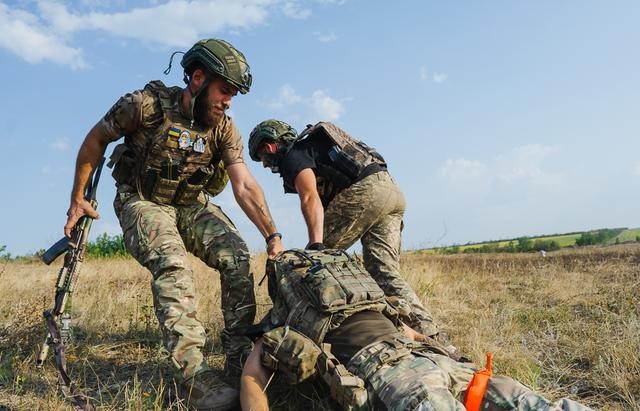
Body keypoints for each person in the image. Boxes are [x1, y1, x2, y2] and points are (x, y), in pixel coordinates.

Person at [64, 39, 284, 410]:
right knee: (173, 262)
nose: (228, 101)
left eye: (233, 95)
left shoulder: (224, 129)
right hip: (143, 200)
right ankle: (194, 376)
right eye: (224, 91)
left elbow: (244, 183)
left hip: (189, 205)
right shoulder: (143, 107)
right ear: (197, 78)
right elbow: (95, 140)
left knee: (237, 256)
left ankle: (238, 357)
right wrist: (77, 198)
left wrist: (272, 234)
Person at [240, 249, 591, 411]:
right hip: (433, 363)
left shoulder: (284, 320)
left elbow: (252, 375)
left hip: (403, 370)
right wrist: (450, 355)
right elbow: (412, 334)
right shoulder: (368, 300)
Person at [247, 120, 438, 337]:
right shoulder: (315, 149)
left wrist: (318, 244)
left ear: (268, 146)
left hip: (366, 191)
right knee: (385, 274)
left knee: (307, 267)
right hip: (391, 190)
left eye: (261, 158)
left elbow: (309, 197)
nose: (264, 164)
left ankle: (280, 323)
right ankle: (429, 335)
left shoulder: (293, 155)